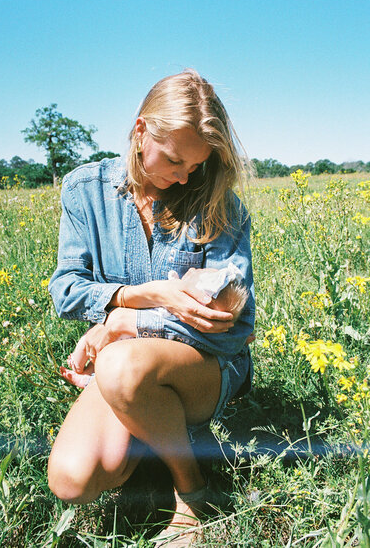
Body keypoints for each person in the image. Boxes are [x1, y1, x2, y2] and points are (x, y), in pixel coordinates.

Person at [47, 69, 255, 546]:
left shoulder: (218, 203)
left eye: (196, 166)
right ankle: (152, 423)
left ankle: (193, 492)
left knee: (120, 364)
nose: (185, 176)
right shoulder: (85, 190)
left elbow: (232, 323)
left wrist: (127, 324)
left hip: (206, 367)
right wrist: (142, 298)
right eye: (176, 159)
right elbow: (66, 289)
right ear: (141, 132)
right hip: (127, 366)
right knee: (72, 480)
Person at [60, 264, 250, 389]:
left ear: (198, 298)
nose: (193, 268)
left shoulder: (176, 313)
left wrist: (127, 320)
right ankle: (82, 367)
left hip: (133, 359)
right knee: (94, 343)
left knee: (110, 367)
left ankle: (87, 379)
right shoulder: (172, 293)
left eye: (199, 272)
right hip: (119, 340)